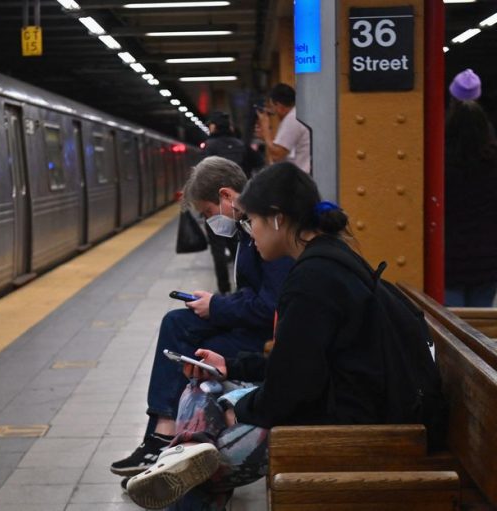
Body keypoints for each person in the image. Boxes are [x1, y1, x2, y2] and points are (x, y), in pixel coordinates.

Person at [125, 162, 396, 510]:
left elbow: (294, 387)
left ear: (277, 219)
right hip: (329, 398)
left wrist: (240, 411)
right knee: (202, 387)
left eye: (251, 221)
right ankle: (185, 451)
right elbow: (294, 363)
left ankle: (182, 458)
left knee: (196, 472)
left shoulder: (311, 280)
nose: (250, 234)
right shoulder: (319, 261)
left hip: (341, 420)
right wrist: (231, 365)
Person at [110, 156, 293, 478]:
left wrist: (218, 306)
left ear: (226, 195)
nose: (210, 221)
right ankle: (162, 435)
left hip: (265, 338)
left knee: (188, 351)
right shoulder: (247, 228)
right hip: (255, 327)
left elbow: (270, 306)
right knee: (176, 323)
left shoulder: (266, 229)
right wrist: (214, 303)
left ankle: (162, 441)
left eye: (208, 212)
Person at [202, 111, 264, 295]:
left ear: (213, 126)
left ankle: (223, 289)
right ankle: (242, 287)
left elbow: (202, 175)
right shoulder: (240, 144)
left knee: (217, 249)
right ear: (229, 127)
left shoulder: (209, 146)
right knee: (238, 245)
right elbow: (259, 162)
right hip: (238, 204)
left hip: (216, 204)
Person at [444, 98, 497, 306]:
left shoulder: (440, 168)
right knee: (479, 319)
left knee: (450, 321)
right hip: (487, 261)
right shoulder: (493, 165)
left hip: (449, 262)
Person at [255, 84, 311, 174]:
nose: (273, 112)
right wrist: (265, 137)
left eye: (272, 107)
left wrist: (265, 130)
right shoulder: (295, 116)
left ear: (279, 106)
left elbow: (276, 155)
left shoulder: (292, 119)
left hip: (298, 177)